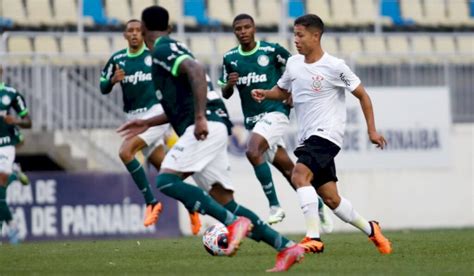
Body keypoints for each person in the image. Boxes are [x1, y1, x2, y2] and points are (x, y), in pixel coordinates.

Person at [118, 5, 305, 272]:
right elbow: (181, 97)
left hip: (206, 126)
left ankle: (231, 222)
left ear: (145, 29)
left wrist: (199, 118)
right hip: (213, 124)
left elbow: (195, 70)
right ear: (168, 28)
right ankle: (285, 246)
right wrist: (147, 122)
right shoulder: (171, 49)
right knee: (225, 200)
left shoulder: (161, 49)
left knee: (166, 180)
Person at [251, 14, 392, 255]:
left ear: (316, 36)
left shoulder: (335, 66)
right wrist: (265, 93)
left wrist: (371, 130)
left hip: (328, 134)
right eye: (294, 35)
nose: (296, 40)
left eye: (300, 35)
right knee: (331, 199)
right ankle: (371, 229)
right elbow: (282, 90)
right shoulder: (294, 64)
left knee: (299, 174)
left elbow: (363, 96)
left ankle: (313, 237)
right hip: (308, 137)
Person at [218, 13, 333, 231]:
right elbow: (225, 93)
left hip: (276, 113)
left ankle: (274, 206)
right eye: (238, 29)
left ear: (254, 29)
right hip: (253, 121)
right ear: (234, 32)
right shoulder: (230, 58)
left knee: (252, 151)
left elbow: (296, 68)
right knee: (289, 170)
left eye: (246, 27)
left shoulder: (271, 50)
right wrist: (229, 85)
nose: (243, 32)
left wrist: (291, 92)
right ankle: (317, 204)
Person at [100, 19, 203, 231]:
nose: (135, 34)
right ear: (125, 35)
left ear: (144, 33)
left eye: (139, 30)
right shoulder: (117, 59)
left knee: (126, 152)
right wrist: (111, 81)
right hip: (133, 117)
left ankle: (151, 202)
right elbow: (103, 86)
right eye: (131, 31)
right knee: (166, 172)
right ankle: (192, 205)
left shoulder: (152, 56)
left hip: (155, 115)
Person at [0, 65, 32, 244]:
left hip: (5, 146)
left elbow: (28, 121)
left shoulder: (11, 94)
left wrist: (16, 120)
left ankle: (12, 227)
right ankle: (14, 172)